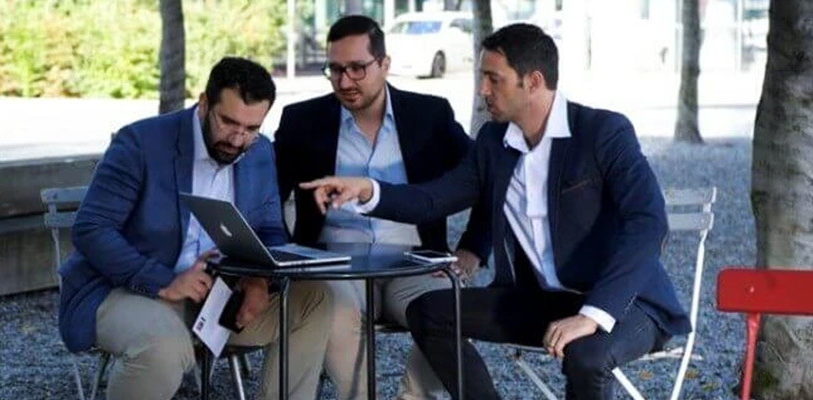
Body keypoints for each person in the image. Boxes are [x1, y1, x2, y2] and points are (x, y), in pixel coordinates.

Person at [300, 24, 689, 400]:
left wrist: (593, 314)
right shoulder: (493, 141)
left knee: (585, 356)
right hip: (542, 300)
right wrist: (369, 191)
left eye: (493, 79)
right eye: (481, 77)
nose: (482, 89)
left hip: (625, 303)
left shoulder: (602, 131)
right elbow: (435, 198)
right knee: (429, 312)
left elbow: (649, 222)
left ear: (533, 82)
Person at [56, 57, 333, 400]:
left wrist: (260, 279)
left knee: (315, 299)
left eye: (251, 129)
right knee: (162, 345)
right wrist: (165, 281)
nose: (237, 139)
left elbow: (269, 230)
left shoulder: (259, 152)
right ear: (204, 103)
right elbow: (91, 229)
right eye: (228, 122)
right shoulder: (141, 144)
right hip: (129, 290)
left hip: (217, 299)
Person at [273, 15, 488, 400]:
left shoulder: (430, 115)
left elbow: (487, 179)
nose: (344, 81)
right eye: (335, 70)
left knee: (451, 306)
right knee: (330, 309)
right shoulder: (302, 121)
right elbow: (266, 195)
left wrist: (473, 248)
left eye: (357, 68)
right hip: (335, 264)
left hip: (416, 262)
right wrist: (287, 255)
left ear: (384, 64)